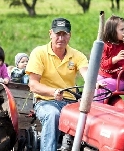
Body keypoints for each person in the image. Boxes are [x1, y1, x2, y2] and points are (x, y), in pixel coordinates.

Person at [26, 17, 88, 151]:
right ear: (50, 34)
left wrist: (94, 82)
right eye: (57, 34)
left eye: (64, 34)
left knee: (91, 119)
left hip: (71, 104)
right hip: (45, 101)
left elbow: (87, 74)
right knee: (53, 114)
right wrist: (52, 92)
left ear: (69, 35)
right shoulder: (40, 53)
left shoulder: (77, 56)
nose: (61, 38)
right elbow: (33, 85)